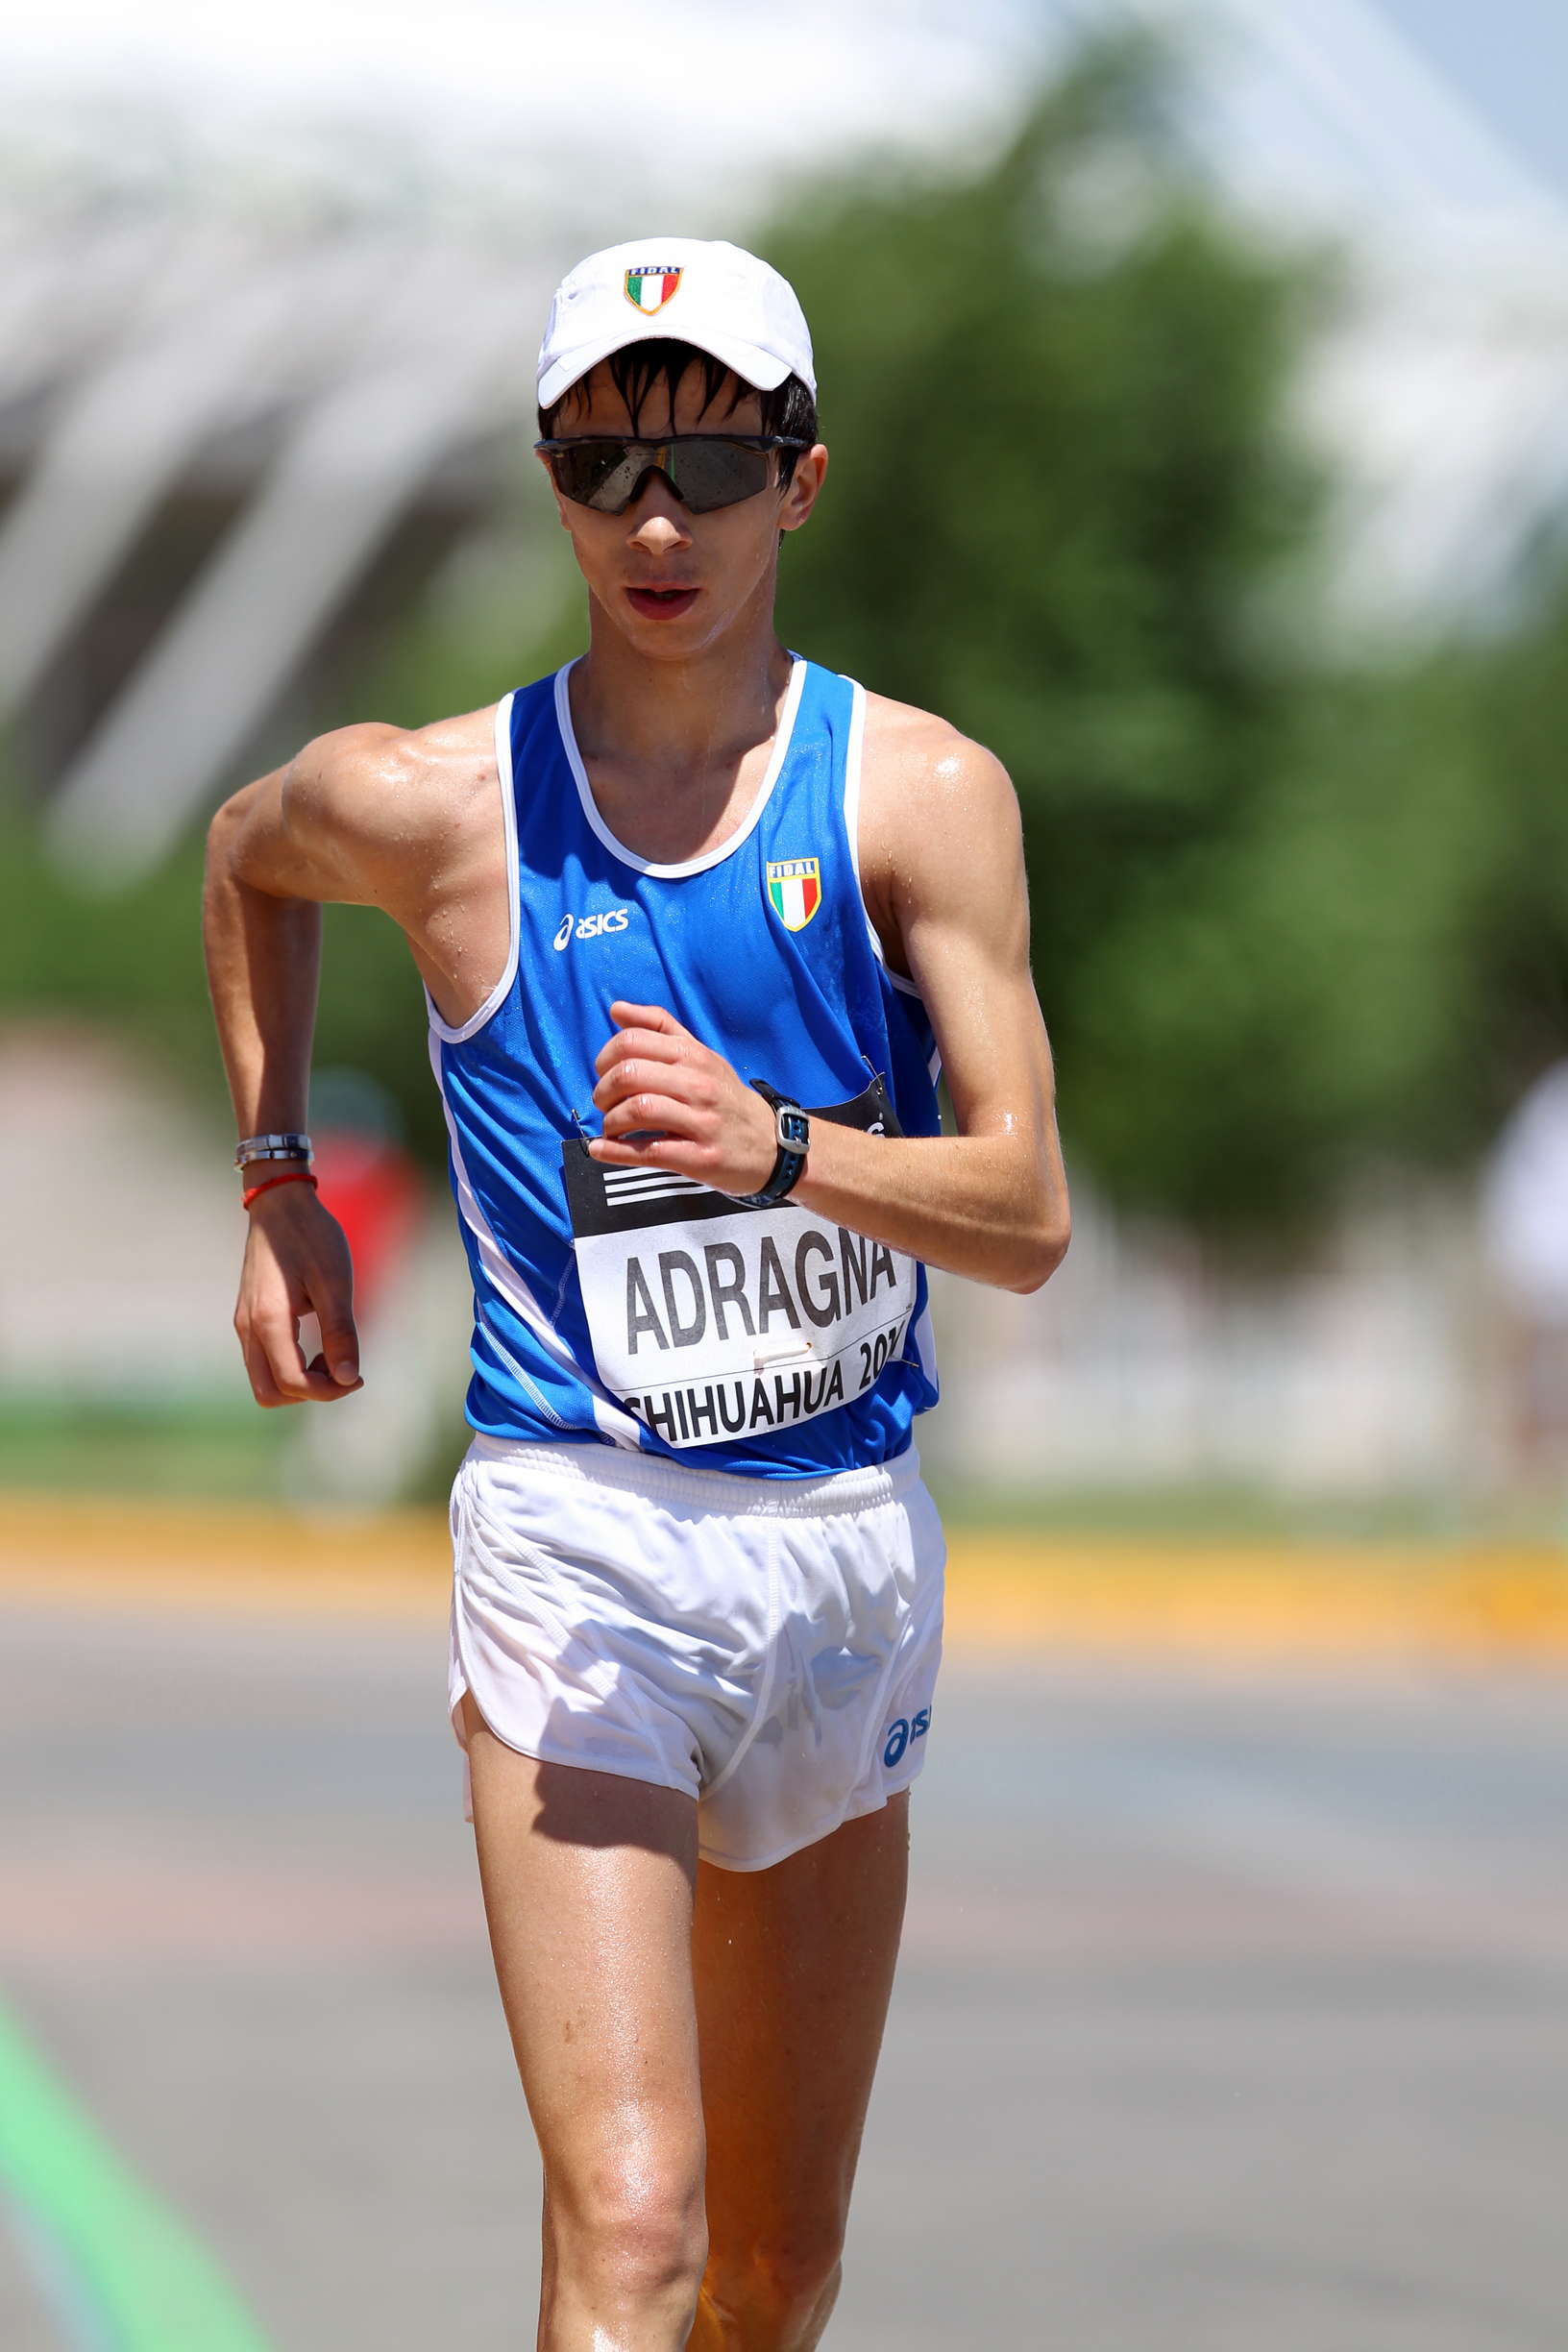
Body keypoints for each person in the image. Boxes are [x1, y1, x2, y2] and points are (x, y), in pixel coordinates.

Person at [204, 235, 1069, 2351]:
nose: (657, 521)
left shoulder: (918, 795)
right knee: (635, 2229)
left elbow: (1027, 1208)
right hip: (580, 1536)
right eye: (604, 467)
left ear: (803, 482)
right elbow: (243, 852)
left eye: (710, 464)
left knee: (771, 2275)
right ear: (551, 485)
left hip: (841, 1547)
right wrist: (278, 1182)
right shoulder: (434, 803)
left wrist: (778, 1152)